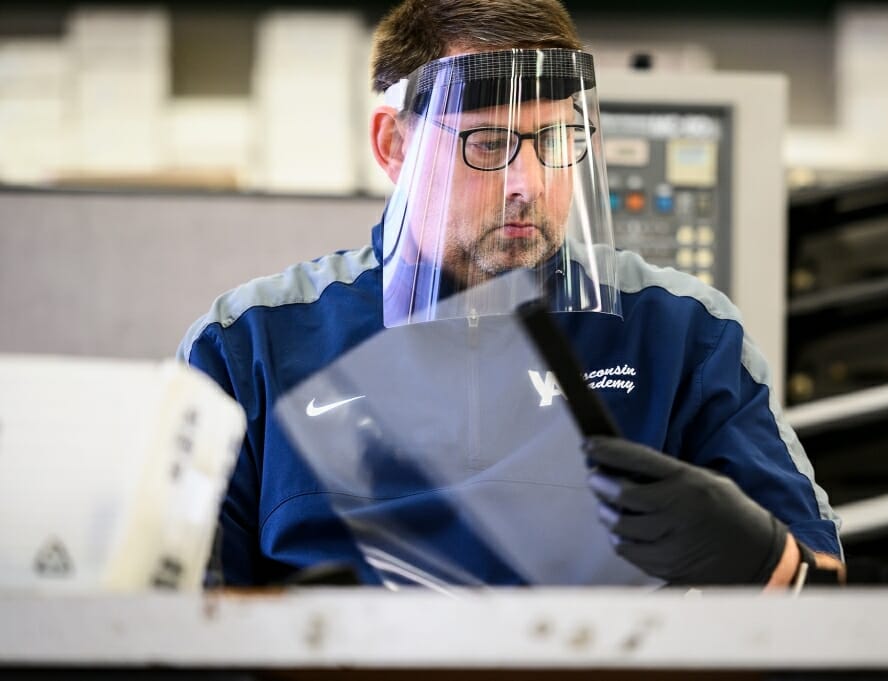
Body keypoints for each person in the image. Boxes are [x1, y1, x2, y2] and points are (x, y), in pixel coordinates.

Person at [179, 0, 843, 588]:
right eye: (488, 144)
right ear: (393, 146)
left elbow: (830, 603)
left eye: (555, 139)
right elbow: (170, 617)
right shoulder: (251, 348)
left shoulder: (682, 333)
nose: (526, 182)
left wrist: (761, 558)